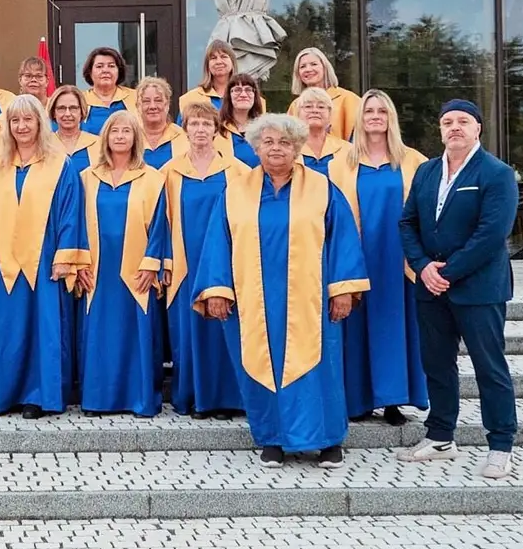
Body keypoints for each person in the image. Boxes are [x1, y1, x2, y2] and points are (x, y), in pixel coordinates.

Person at [199, 113, 367, 469]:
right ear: (256, 147)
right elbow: (218, 241)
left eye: (284, 142)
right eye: (268, 142)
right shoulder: (236, 191)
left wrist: (343, 290)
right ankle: (272, 438)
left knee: (320, 367)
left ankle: (328, 441)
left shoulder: (322, 188)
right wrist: (217, 289)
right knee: (262, 364)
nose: (276, 148)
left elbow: (343, 240)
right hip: (254, 298)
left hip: (312, 297)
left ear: (297, 147)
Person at [398, 99, 522, 478]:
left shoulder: (496, 173)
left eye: (463, 121)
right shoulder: (426, 171)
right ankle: (440, 437)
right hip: (430, 288)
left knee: (489, 367)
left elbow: (491, 235)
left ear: (478, 128)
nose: (454, 127)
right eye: (447, 121)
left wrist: (446, 272)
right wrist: (422, 268)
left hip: (478, 289)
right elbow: (408, 223)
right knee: (436, 364)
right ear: (439, 129)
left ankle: (501, 443)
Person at [0, 95, 88, 418]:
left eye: (28, 120)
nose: (22, 126)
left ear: (40, 122)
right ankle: (2, 395)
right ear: (8, 126)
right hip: (2, 262)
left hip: (44, 260)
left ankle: (39, 396)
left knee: (44, 328)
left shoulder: (60, 165)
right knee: (3, 327)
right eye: (15, 121)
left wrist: (65, 256)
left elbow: (70, 214)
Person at [328, 90, 430, 426]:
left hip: (397, 258)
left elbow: (425, 212)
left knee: (392, 326)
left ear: (391, 118)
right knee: (356, 328)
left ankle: (392, 400)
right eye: (368, 110)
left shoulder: (414, 161)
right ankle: (357, 400)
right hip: (356, 256)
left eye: (381, 111)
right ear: (359, 117)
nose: (374, 116)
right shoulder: (339, 163)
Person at [78, 111, 168, 417]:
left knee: (135, 332)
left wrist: (151, 263)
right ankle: (97, 399)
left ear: (135, 137)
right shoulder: (87, 178)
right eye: (114, 130)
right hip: (98, 268)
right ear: (105, 137)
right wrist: (79, 263)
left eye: (126, 131)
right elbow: (77, 223)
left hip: (135, 267)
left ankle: (138, 398)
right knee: (99, 332)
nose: (119, 136)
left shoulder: (153, 178)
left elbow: (160, 225)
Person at [164, 103, 248, 419]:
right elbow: (162, 220)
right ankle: (195, 398)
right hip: (185, 262)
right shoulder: (170, 171)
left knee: (222, 329)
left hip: (223, 263)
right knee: (189, 334)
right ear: (185, 130)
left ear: (216, 129)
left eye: (206, 123)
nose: (200, 129)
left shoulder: (237, 170)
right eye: (194, 123)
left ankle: (226, 399)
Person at [286, 48, 359, 140]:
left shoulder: (349, 99)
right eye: (302, 66)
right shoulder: (295, 105)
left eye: (314, 64)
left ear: (325, 68)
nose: (308, 69)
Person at [295, 88, 353, 176]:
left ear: (330, 115)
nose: (315, 110)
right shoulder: (288, 149)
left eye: (321, 107)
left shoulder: (348, 150)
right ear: (298, 114)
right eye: (308, 106)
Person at [79, 47, 137, 135]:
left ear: (119, 71)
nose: (105, 70)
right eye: (99, 66)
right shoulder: (79, 100)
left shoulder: (136, 97)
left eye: (111, 66)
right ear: (90, 72)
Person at [135, 76, 185, 169]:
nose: (152, 106)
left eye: (158, 100)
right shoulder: (132, 138)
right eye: (146, 101)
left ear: (167, 105)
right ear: (138, 106)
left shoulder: (184, 137)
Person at [49, 85, 99, 175]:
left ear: (81, 111)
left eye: (73, 108)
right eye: (61, 108)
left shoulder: (98, 143)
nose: (67, 114)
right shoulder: (45, 144)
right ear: (53, 113)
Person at [178, 40, 236, 115]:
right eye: (213, 58)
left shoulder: (244, 96)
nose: (219, 61)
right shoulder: (191, 98)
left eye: (224, 56)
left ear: (232, 62)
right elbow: (181, 126)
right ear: (207, 65)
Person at [222, 73, 267, 167]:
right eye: (237, 90)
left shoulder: (265, 129)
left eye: (248, 90)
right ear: (228, 96)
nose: (243, 94)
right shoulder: (218, 129)